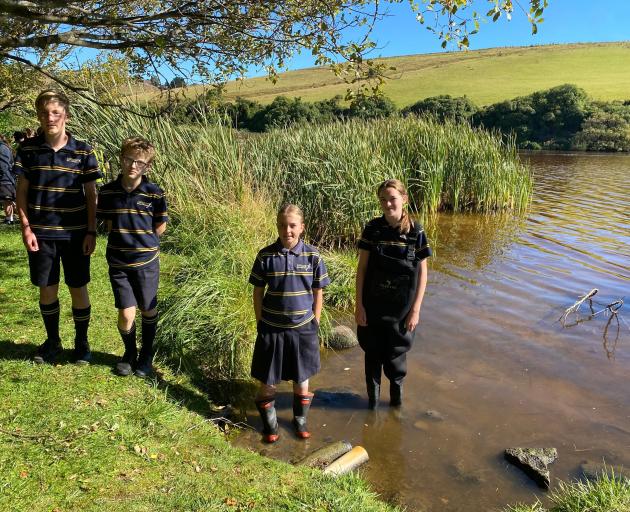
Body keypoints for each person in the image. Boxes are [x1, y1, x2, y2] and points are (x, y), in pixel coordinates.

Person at [15, 90, 101, 365]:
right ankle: (53, 341)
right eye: (44, 113)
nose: (49, 117)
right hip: (41, 234)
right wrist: (26, 228)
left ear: (66, 115)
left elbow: (91, 195)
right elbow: (21, 192)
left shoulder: (83, 151)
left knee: (78, 287)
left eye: (55, 112)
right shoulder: (27, 150)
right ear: (38, 116)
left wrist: (91, 230)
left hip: (75, 234)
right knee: (47, 288)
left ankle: (82, 343)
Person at [249, 204, 330, 442]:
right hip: (271, 329)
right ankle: (270, 426)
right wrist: (259, 319)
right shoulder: (265, 255)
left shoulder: (313, 256)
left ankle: (300, 420)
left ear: (301, 228)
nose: (288, 230)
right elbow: (257, 291)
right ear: (277, 226)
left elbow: (318, 291)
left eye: (293, 226)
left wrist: (315, 320)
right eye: (283, 225)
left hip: (303, 329)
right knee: (268, 382)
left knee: (302, 380)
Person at [355, 179, 431, 409]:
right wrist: (359, 305)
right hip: (373, 307)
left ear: (404, 199)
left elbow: (423, 275)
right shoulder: (373, 229)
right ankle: (372, 406)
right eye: (383, 200)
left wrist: (415, 311)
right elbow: (362, 269)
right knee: (372, 357)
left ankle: (395, 409)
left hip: (401, 312)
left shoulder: (416, 232)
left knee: (396, 363)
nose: (388, 204)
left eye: (392, 199)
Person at [96, 137, 168, 378]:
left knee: (148, 308)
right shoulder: (107, 192)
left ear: (147, 166)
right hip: (118, 262)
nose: (132, 165)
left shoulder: (154, 193)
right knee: (127, 314)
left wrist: (143, 243)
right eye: (128, 159)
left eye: (139, 162)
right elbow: (107, 223)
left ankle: (146, 354)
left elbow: (160, 226)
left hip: (146, 262)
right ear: (121, 158)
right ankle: (129, 353)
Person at [0, 134, 16, 224]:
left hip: (5, 177)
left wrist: (2, 174)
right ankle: (10, 219)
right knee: (7, 200)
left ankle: (9, 219)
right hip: (8, 177)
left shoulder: (2, 147)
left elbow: (3, 165)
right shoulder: (5, 146)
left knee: (6, 200)